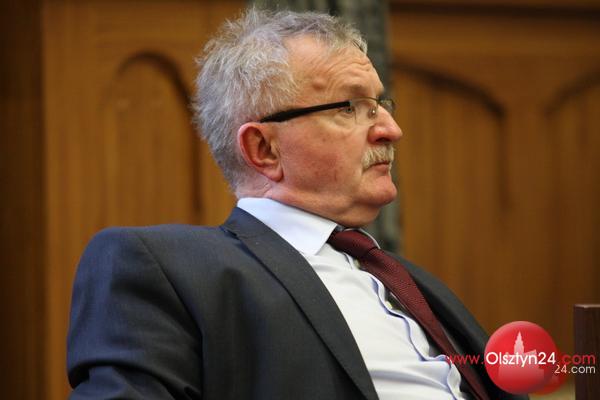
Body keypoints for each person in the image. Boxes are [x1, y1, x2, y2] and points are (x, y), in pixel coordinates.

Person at [67, 8, 525, 400]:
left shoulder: (407, 279)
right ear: (264, 149)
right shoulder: (169, 268)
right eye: (349, 107)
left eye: (380, 103)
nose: (391, 129)